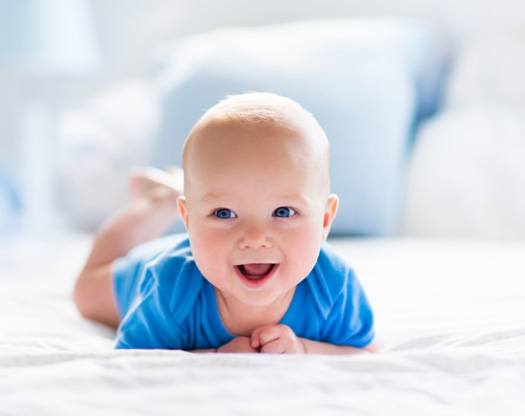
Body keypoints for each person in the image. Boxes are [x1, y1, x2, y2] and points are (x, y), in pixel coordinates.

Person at [73, 92, 376, 354]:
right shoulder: (169, 286)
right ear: (188, 220)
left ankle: (183, 193)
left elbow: (362, 352)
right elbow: (135, 363)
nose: (256, 237)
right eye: (224, 213)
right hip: (142, 273)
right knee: (85, 293)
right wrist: (214, 354)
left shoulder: (334, 285)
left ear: (324, 221)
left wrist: (303, 348)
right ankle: (158, 201)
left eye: (283, 212)